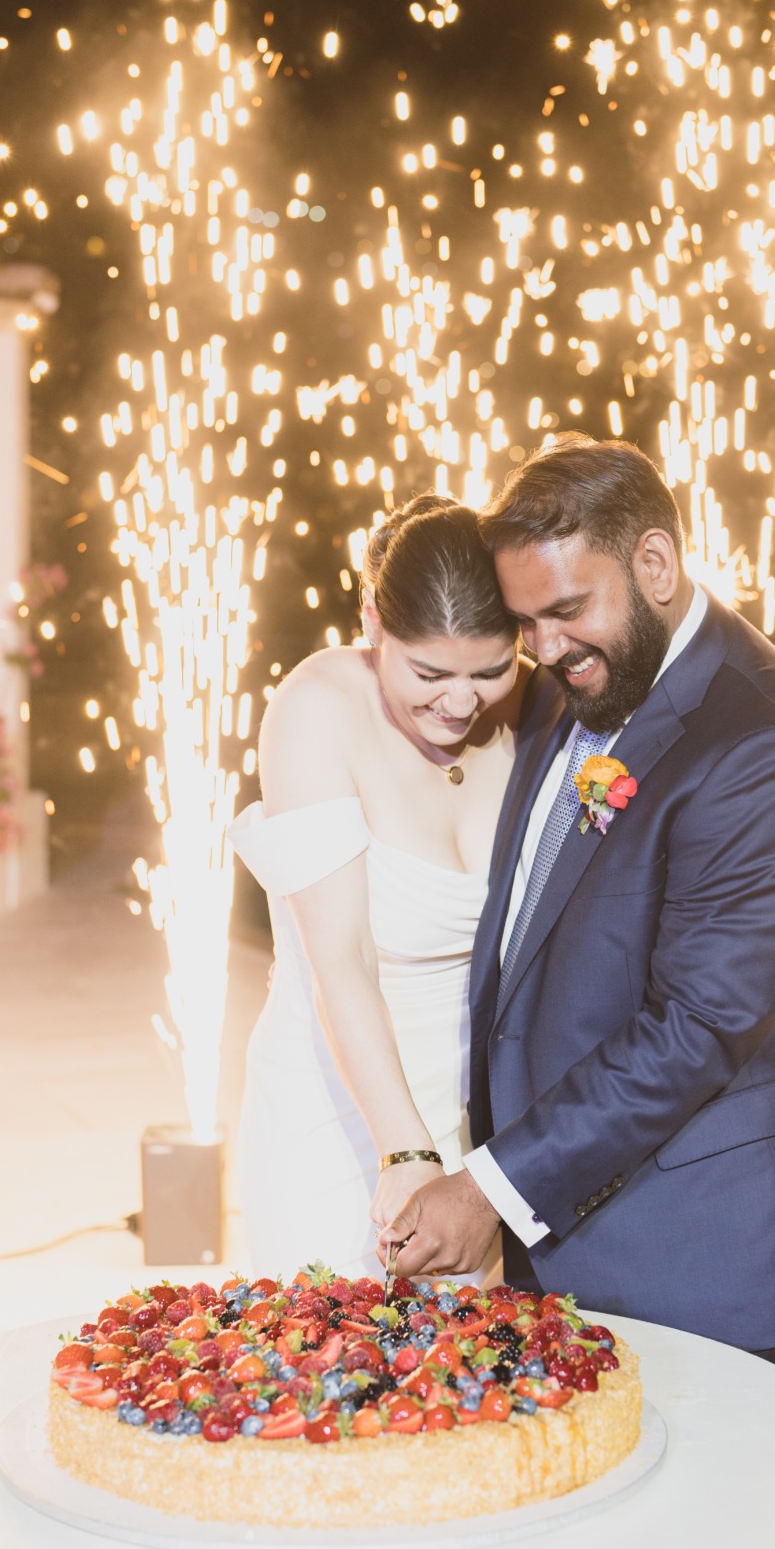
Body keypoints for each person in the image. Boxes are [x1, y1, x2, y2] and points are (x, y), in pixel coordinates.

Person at [378, 436, 775, 1549]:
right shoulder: (593, 683)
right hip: (579, 1215)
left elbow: (695, 1030)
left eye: (568, 609)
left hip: (719, 1232)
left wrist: (492, 1188)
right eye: (528, 623)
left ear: (657, 560)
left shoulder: (769, 744)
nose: (548, 649)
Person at [229, 493, 529, 1281]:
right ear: (372, 623)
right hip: (338, 1096)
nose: (460, 701)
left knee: (470, 1384)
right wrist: (408, 1152)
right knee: (330, 1360)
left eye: (490, 670)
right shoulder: (319, 706)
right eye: (428, 672)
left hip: (484, 1114)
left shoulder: (538, 708)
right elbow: (345, 961)